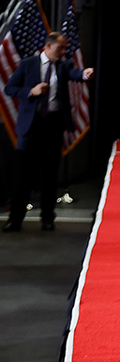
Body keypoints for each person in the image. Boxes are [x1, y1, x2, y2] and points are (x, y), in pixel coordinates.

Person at [2, 33, 94, 232]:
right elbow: (10, 88)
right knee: (23, 175)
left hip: (53, 125)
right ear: (48, 46)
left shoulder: (64, 65)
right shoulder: (28, 64)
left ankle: (47, 218)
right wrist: (31, 91)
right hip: (30, 126)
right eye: (60, 48)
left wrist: (85, 74)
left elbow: (75, 74)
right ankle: (15, 219)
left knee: (50, 174)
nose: (63, 52)